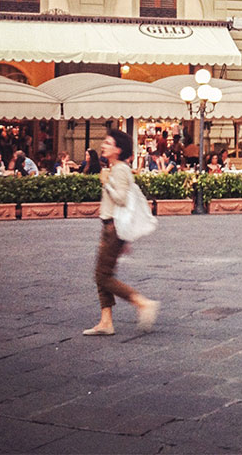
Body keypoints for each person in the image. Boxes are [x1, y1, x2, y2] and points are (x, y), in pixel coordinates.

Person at [83, 129, 159, 337]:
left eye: (108, 143)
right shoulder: (116, 168)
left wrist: (106, 183)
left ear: (118, 149)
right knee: (102, 274)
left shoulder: (119, 170)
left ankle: (142, 303)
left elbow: (122, 200)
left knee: (103, 276)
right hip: (111, 227)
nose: (103, 145)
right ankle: (105, 321)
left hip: (113, 229)